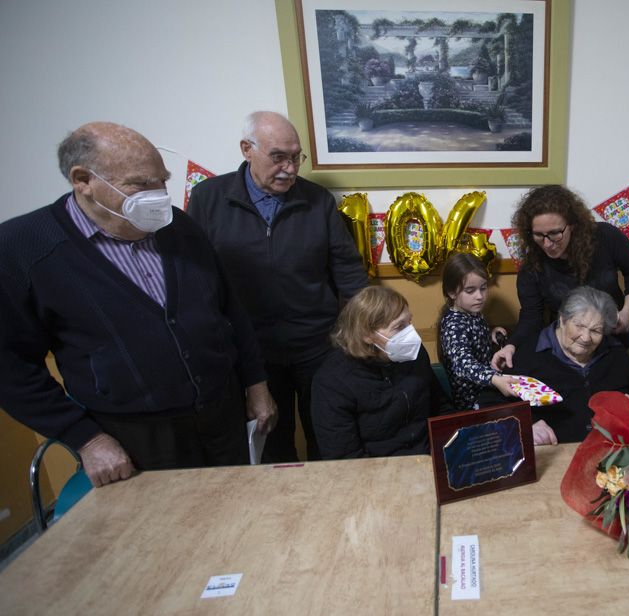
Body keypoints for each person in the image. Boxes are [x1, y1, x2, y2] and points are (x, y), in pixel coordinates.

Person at [0, 122, 277, 487]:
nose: (159, 195)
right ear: (84, 180)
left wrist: (257, 386)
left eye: (161, 180)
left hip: (221, 415)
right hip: (136, 437)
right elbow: (10, 369)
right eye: (141, 184)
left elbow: (229, 311)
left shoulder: (178, 226)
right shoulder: (24, 249)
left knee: (237, 509)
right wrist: (87, 439)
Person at [188, 111, 367, 462]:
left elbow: (347, 268)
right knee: (271, 443)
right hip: (251, 353)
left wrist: (358, 330)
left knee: (330, 435)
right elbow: (195, 277)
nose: (289, 168)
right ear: (246, 149)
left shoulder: (318, 200)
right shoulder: (209, 198)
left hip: (319, 344)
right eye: (278, 157)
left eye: (295, 157)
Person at [492, 185, 629, 371]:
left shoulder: (605, 236)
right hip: (570, 351)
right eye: (539, 235)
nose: (548, 244)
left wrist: (627, 311)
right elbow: (531, 318)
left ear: (572, 225)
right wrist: (511, 345)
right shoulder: (532, 266)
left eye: (556, 233)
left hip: (615, 341)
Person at [311, 286, 448, 459]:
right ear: (367, 334)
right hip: (375, 471)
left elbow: (441, 407)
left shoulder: (414, 353)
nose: (411, 335)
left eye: (409, 322)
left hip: (428, 458)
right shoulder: (332, 381)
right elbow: (344, 457)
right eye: (399, 327)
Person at [512, 286, 629, 445]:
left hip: (611, 452)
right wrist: (527, 424)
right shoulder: (529, 355)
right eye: (579, 326)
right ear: (562, 319)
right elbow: (495, 406)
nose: (586, 338)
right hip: (553, 454)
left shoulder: (616, 355)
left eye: (596, 331)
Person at [437, 253, 517, 410]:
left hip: (488, 387)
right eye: (470, 290)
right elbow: (464, 364)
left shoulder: (472, 311)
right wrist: (494, 378)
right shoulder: (453, 324)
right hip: (472, 401)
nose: (479, 296)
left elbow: (472, 337)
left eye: (483, 288)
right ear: (452, 292)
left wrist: (490, 334)